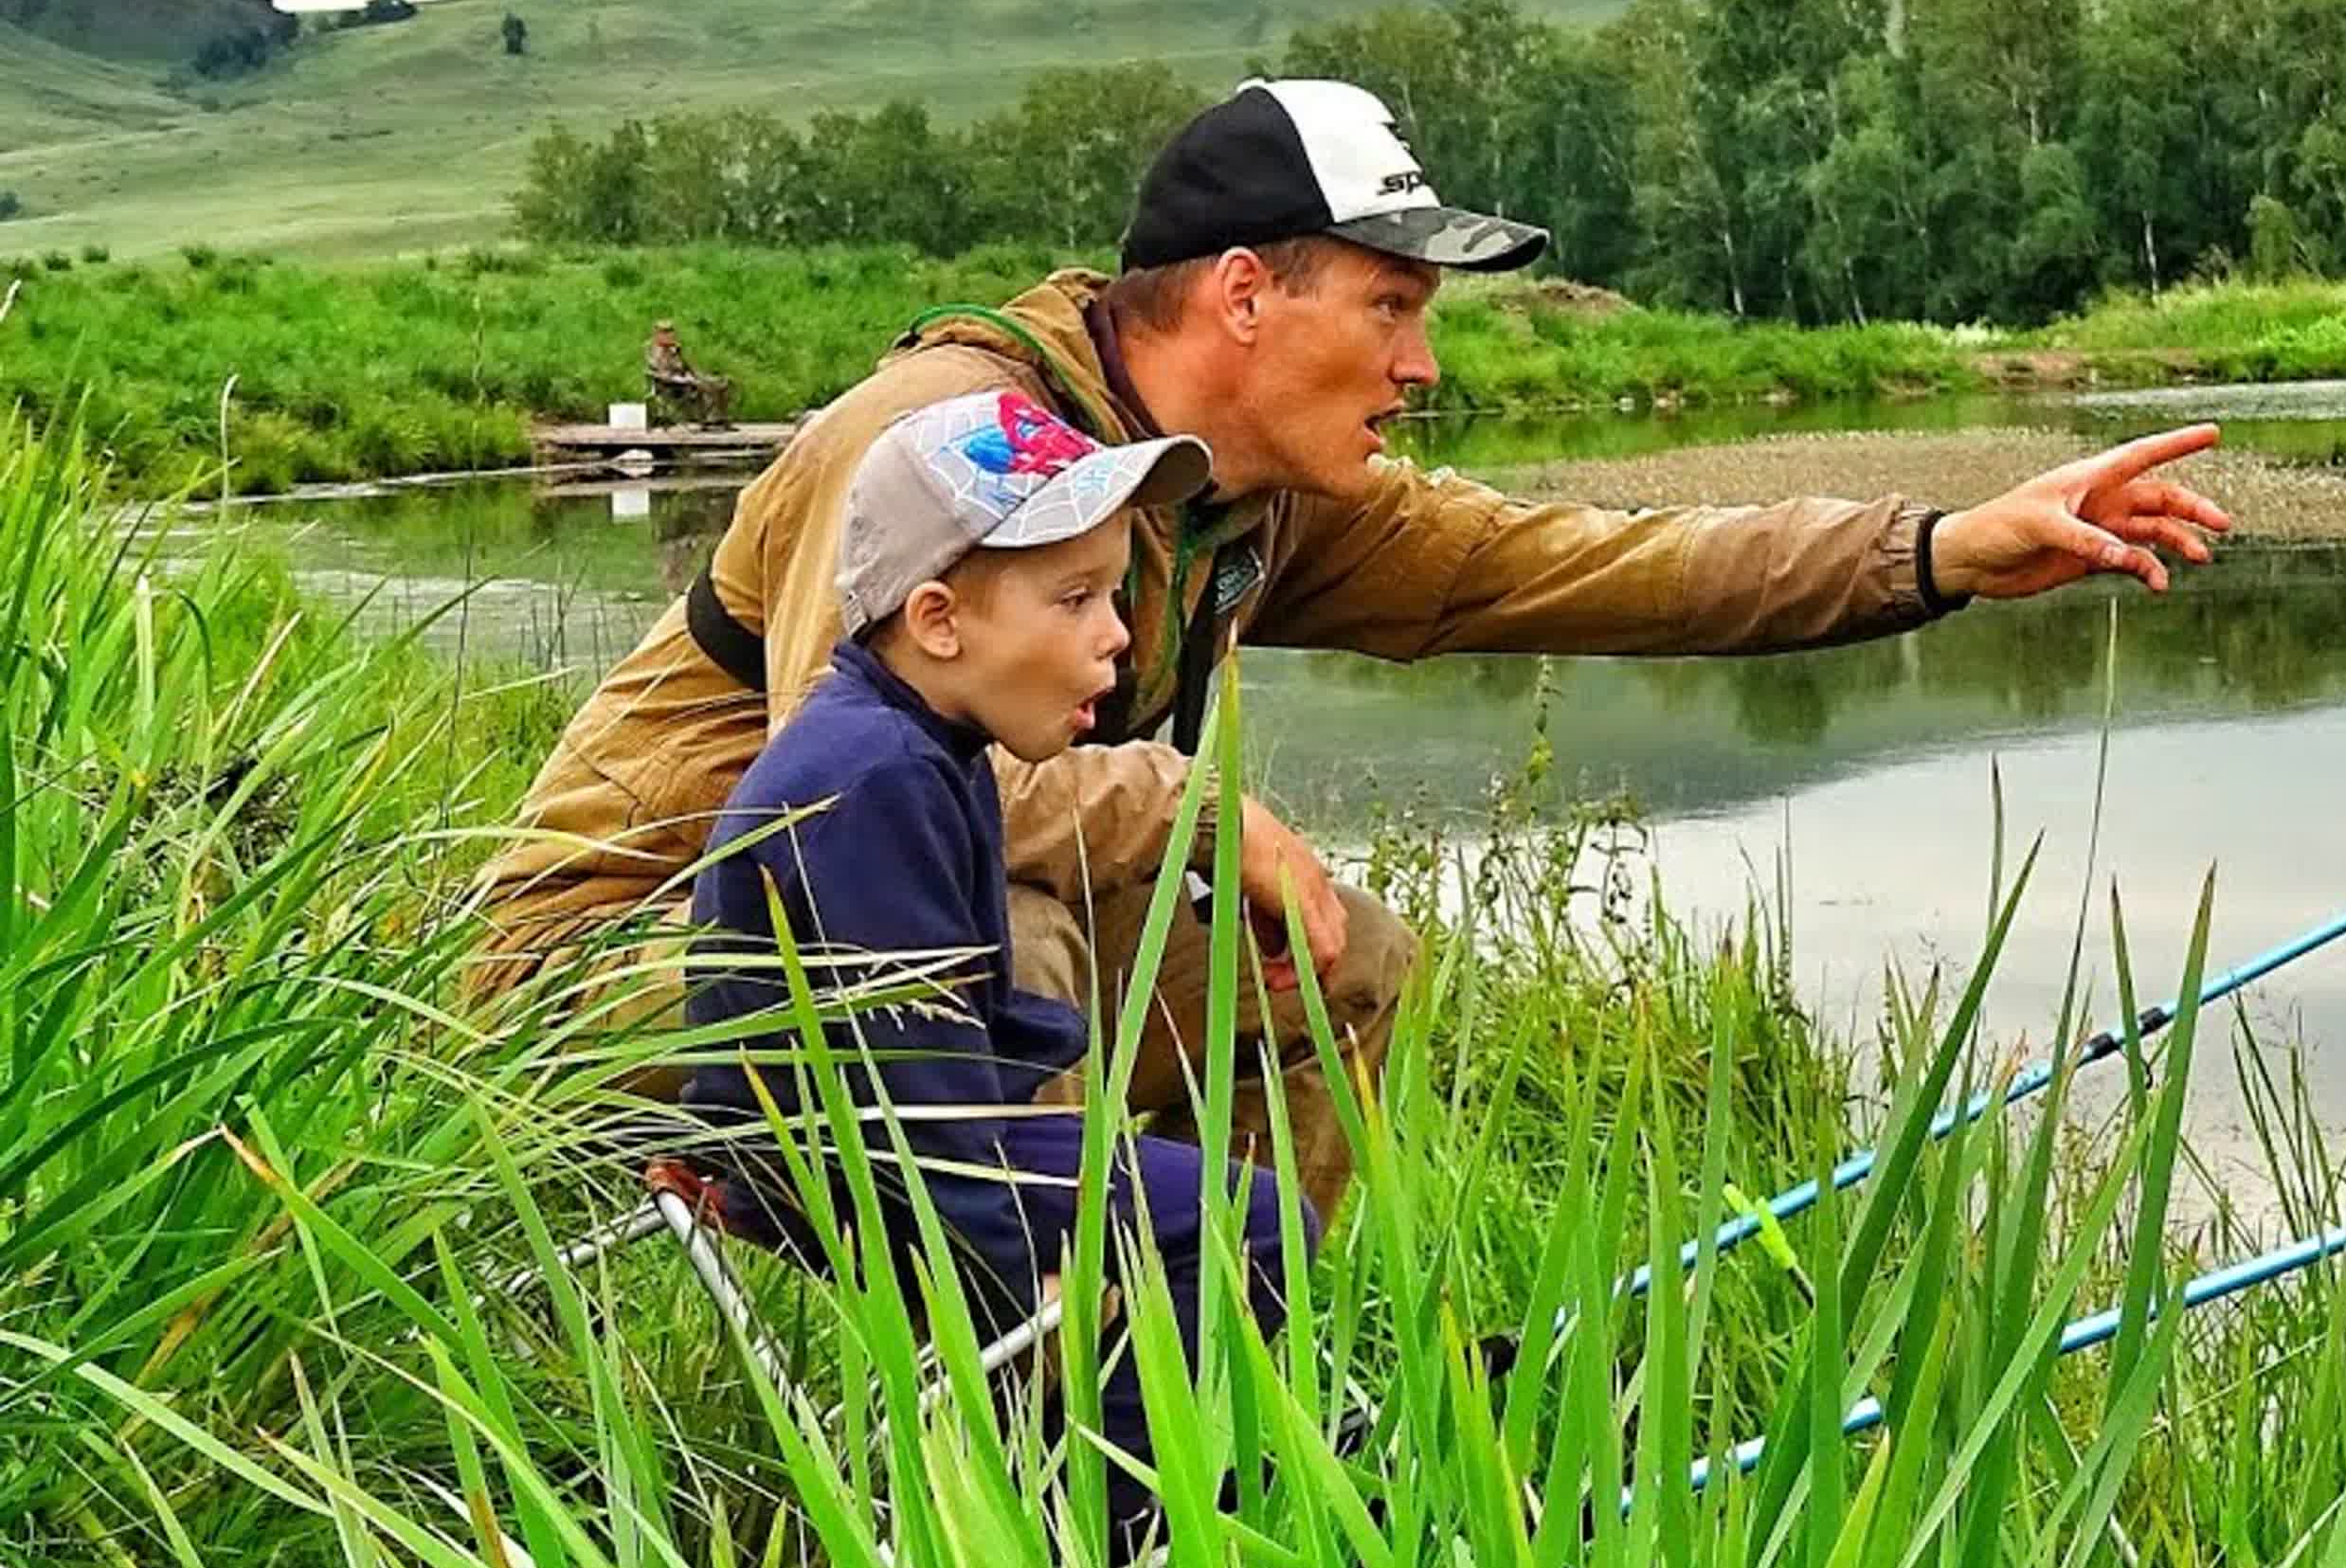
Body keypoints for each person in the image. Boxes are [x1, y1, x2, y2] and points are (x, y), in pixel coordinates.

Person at [480, 78, 2233, 1220]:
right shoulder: (950, 443)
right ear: (1244, 295)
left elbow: (1585, 565)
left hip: (861, 983)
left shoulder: (1251, 493)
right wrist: (1178, 797)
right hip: (620, 984)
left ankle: (1226, 1393)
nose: (1420, 364)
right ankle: (1027, 1474)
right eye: (1389, 308)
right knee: (1027, 938)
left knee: (1331, 952)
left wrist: (1939, 548)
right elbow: (850, 804)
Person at [678, 387, 1265, 1564]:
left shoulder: (919, 743)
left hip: (867, 1135)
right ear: (939, 620)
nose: (1120, 636)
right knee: (1239, 1222)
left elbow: (937, 1030)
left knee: (1192, 1201)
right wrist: (1034, 1257)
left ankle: (1093, 1490)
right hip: (838, 1159)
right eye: (1076, 599)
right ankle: (1114, 1549)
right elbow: (909, 1102)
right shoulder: (873, 775)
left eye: (1114, 594)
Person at [645, 319, 734, 425]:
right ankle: (708, 418)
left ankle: (720, 417)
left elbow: (687, 366)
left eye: (670, 331)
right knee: (701, 385)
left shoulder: (675, 348)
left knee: (721, 383)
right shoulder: (653, 350)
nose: (669, 335)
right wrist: (685, 379)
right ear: (657, 334)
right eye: (665, 332)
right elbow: (660, 373)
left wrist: (700, 376)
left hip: (685, 380)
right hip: (669, 385)